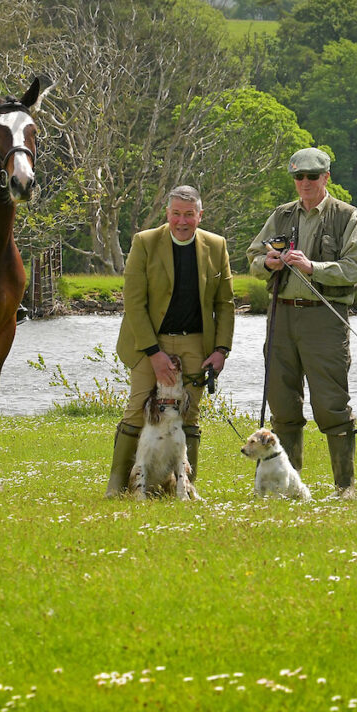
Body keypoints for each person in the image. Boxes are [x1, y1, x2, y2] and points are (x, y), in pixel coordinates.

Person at [247, 146, 357, 500]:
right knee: (282, 405)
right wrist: (268, 263)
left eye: (312, 176)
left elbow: (355, 269)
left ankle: (345, 488)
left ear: (326, 177)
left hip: (324, 318)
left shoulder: (348, 216)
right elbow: (253, 257)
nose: (305, 183)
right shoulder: (281, 215)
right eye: (298, 176)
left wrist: (312, 267)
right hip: (281, 315)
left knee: (330, 404)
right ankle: (289, 488)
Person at [107, 185, 236, 496]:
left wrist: (221, 350)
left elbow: (225, 304)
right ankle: (118, 487)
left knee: (189, 414)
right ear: (168, 214)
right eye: (176, 213)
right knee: (138, 409)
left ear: (200, 216)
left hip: (196, 342)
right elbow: (134, 303)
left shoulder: (216, 246)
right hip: (148, 340)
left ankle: (184, 488)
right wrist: (153, 354)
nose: (182, 220)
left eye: (189, 214)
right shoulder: (145, 242)